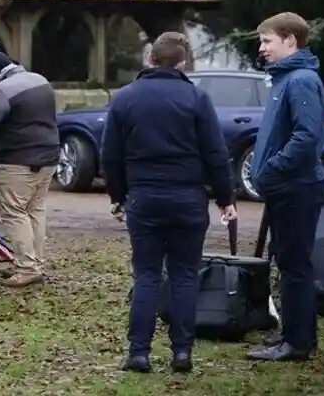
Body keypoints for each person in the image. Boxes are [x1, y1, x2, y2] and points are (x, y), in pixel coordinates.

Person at [100, 32, 237, 373]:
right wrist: (225, 197)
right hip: (188, 197)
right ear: (182, 64)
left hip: (144, 196)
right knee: (185, 276)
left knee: (146, 275)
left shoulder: (125, 98)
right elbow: (215, 153)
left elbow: (111, 154)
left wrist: (118, 196)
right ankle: (182, 352)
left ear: (150, 60)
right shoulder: (196, 98)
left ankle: (139, 352)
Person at [246, 12, 324, 363]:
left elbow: (306, 137)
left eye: (268, 41)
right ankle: (297, 335)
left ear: (291, 41)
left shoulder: (300, 81)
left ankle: (296, 343)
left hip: (297, 188)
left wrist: (273, 170)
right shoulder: (285, 80)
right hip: (286, 187)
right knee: (289, 262)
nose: (262, 48)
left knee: (295, 267)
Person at [0, 51, 59, 287]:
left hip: (18, 160)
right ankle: (36, 263)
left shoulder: (3, 91)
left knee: (14, 212)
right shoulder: (40, 80)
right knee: (35, 210)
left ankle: (26, 268)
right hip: (49, 157)